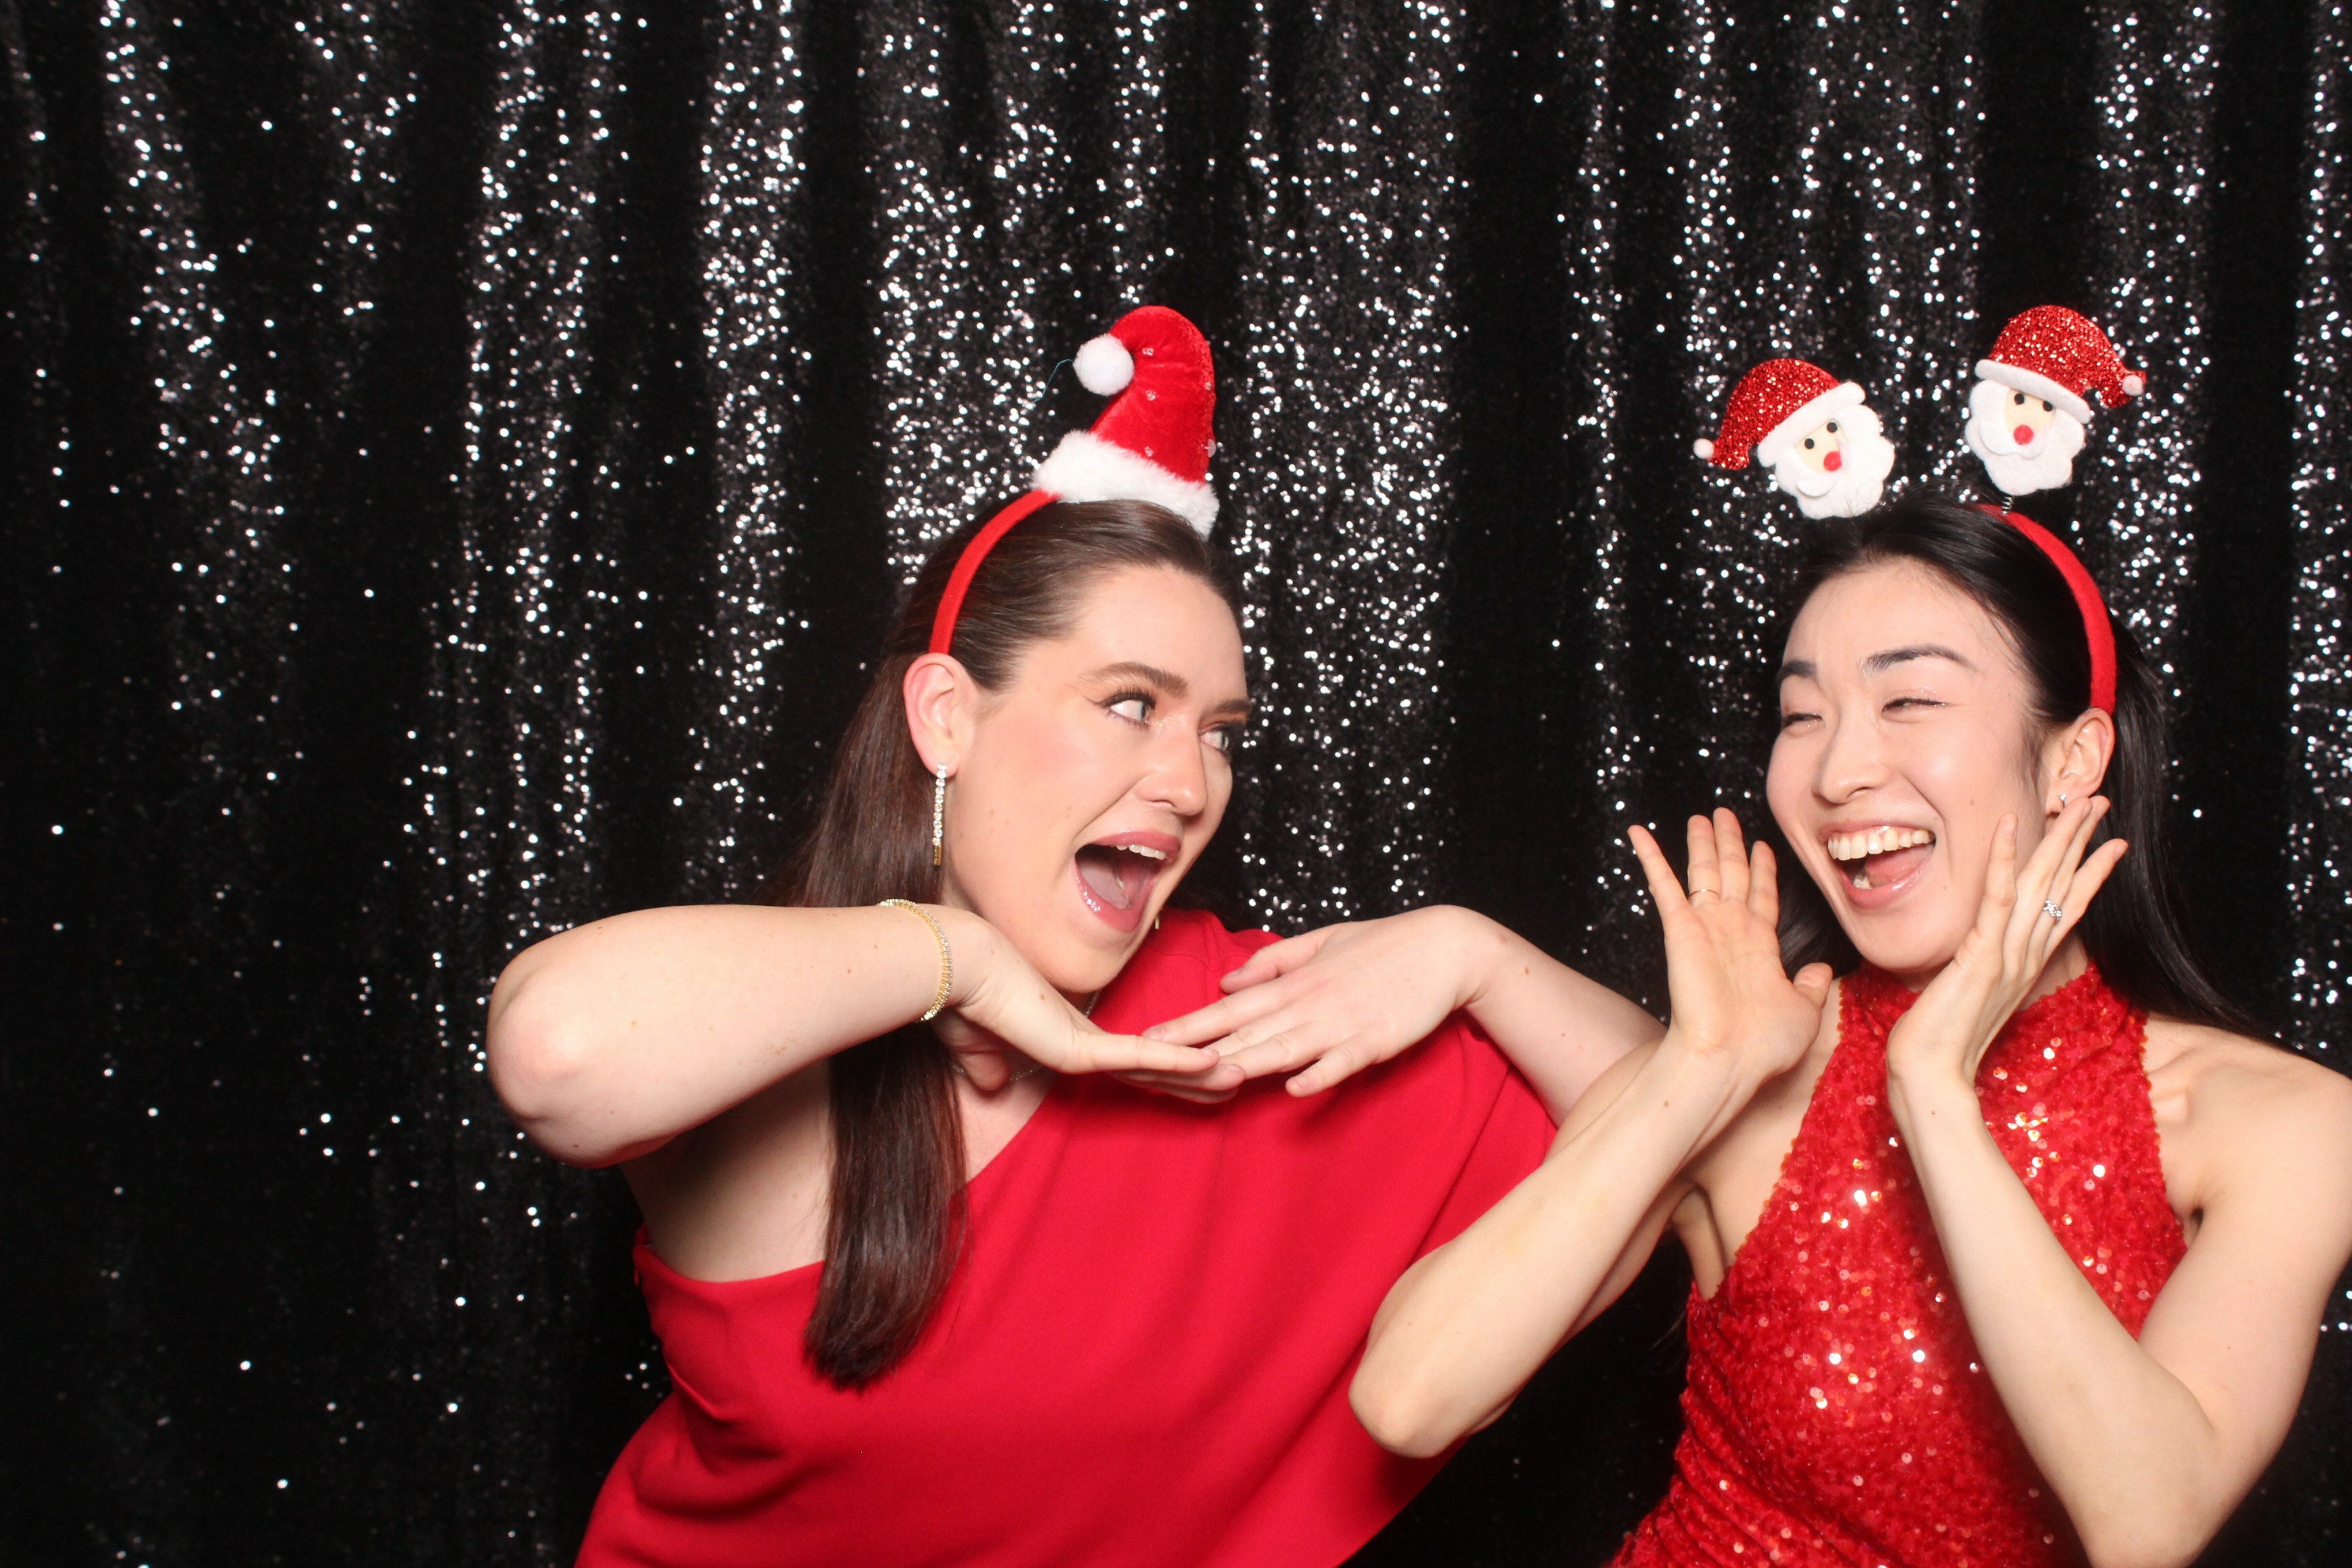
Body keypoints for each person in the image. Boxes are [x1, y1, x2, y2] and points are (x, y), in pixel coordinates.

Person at [483, 306, 1661, 1567]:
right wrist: (961, 961)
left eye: (1218, 733)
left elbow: (1677, 1110)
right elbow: (558, 1052)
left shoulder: (1239, 1020)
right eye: (1131, 704)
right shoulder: (775, 1022)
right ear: (946, 717)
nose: (1191, 784)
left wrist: (1475, 951)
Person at [1280, 493, 2352, 1566]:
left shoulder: (2290, 1125)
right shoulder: (1754, 1058)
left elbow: (2149, 1520)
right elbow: (1408, 1399)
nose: (1839, 773)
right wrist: (1701, 1064)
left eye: (1909, 700)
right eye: (1802, 716)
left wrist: (1933, 1090)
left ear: (2075, 759)